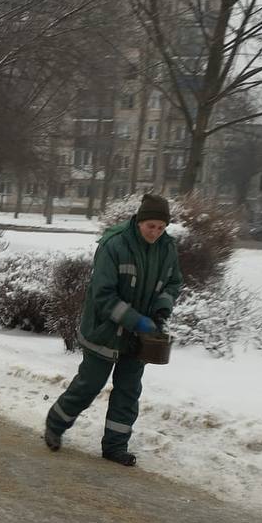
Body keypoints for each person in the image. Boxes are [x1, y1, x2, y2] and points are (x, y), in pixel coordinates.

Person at [44, 193, 182, 467]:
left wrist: (161, 310)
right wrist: (136, 320)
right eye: (150, 226)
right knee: (90, 384)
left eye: (161, 227)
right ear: (139, 222)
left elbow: (173, 284)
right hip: (105, 330)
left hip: (139, 338)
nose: (155, 232)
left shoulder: (167, 248)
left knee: (128, 390)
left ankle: (115, 446)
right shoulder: (114, 245)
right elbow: (103, 295)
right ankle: (55, 425)